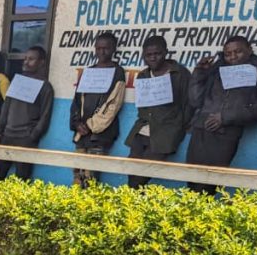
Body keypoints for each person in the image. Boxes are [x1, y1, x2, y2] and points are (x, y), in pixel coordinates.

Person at [186, 36, 257, 194]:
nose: (232, 57)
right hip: (200, 131)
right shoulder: (216, 70)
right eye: (228, 54)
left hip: (225, 135)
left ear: (250, 50)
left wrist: (225, 117)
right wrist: (199, 72)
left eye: (238, 52)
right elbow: (195, 100)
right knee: (192, 182)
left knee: (208, 185)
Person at [125, 36, 193, 188]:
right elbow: (142, 104)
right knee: (131, 172)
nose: (153, 58)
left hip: (165, 133)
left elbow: (188, 104)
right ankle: (135, 208)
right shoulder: (143, 75)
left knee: (141, 177)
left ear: (166, 53)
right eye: (148, 55)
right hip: (141, 130)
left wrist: (179, 127)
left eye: (157, 54)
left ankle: (135, 208)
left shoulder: (180, 74)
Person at [70, 32, 126, 187]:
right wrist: (76, 123)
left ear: (113, 49)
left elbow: (114, 104)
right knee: (77, 174)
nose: (102, 52)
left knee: (90, 177)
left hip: (100, 134)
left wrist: (90, 125)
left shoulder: (117, 71)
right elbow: (76, 100)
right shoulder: (89, 71)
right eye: (99, 48)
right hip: (81, 134)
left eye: (106, 48)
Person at [0, 46, 54, 181]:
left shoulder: (45, 86)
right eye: (25, 58)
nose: (26, 62)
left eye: (31, 59)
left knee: (22, 179)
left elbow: (45, 115)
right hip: (7, 136)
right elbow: (6, 107)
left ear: (41, 62)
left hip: (26, 139)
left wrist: (33, 135)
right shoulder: (17, 82)